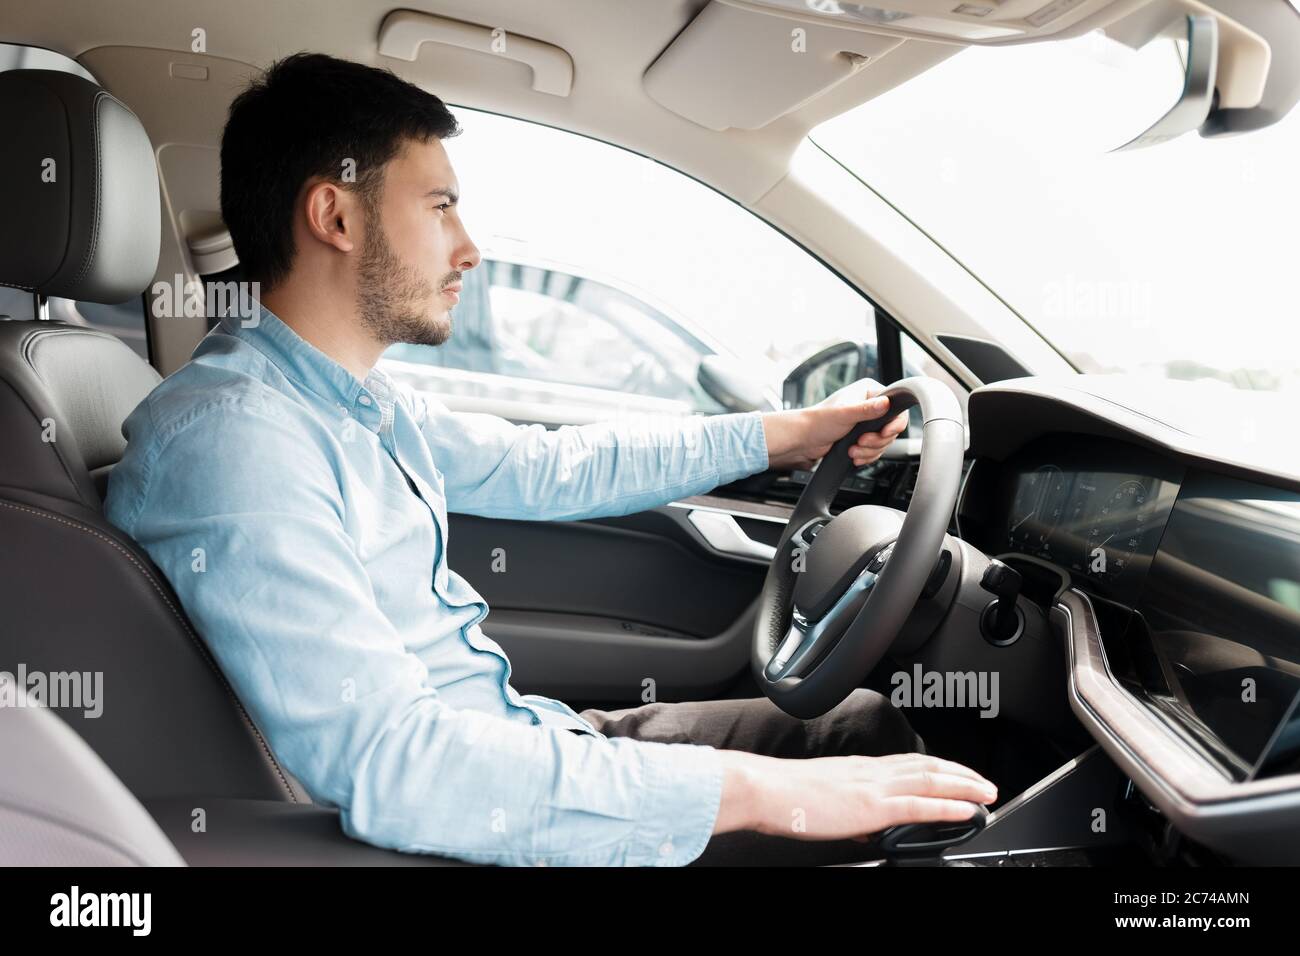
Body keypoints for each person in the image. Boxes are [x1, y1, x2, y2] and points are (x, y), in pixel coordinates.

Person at [105, 53, 995, 867]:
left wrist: (786, 434)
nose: (469, 248)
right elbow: (394, 764)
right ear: (334, 213)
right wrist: (759, 795)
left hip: (512, 741)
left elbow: (550, 467)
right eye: (441, 206)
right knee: (873, 792)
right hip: (456, 815)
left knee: (858, 726)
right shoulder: (238, 443)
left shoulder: (345, 401)